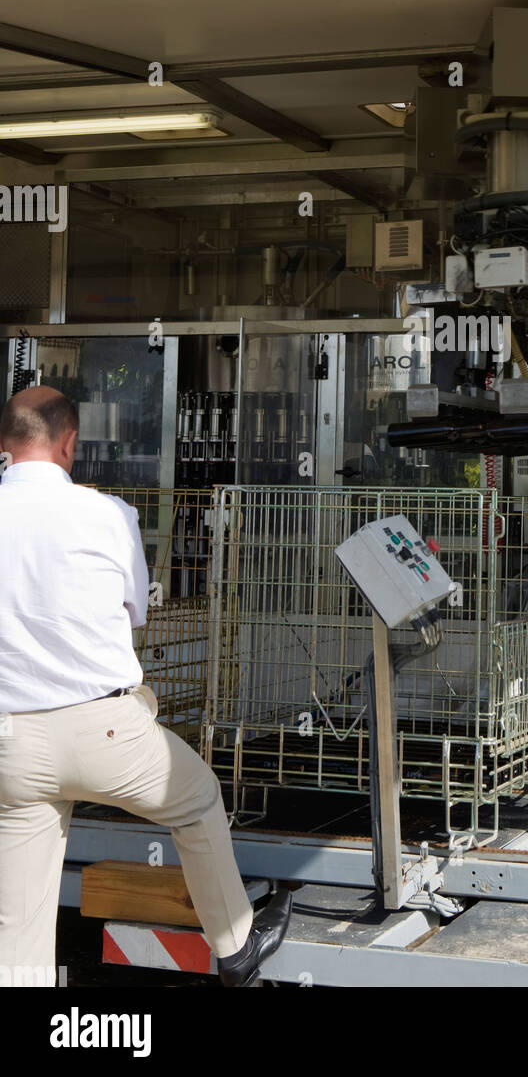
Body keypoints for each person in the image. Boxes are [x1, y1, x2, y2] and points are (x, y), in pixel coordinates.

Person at [0, 385, 291, 986]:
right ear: (69, 442)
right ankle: (234, 947)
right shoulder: (108, 515)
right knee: (199, 800)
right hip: (107, 730)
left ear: (4, 443)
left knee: (20, 920)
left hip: (11, 742)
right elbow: (134, 612)